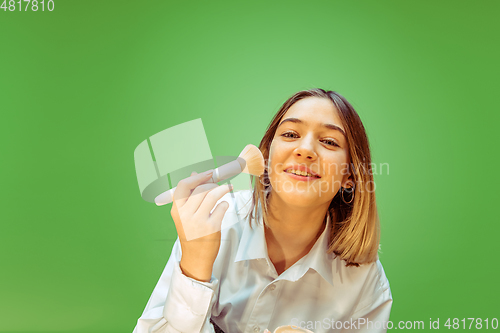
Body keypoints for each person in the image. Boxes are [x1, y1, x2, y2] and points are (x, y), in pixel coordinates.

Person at [132, 89, 393, 333]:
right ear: (266, 157)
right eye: (291, 135)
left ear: (350, 174)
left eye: (329, 141)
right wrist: (195, 266)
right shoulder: (213, 223)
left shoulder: (365, 280)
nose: (304, 150)